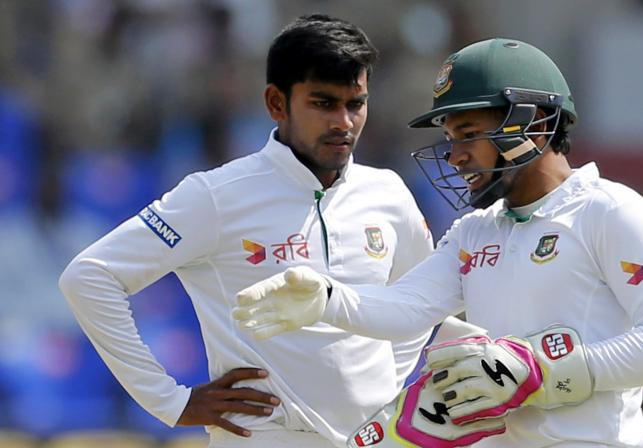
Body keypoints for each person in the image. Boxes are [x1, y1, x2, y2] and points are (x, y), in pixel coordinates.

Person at [233, 38, 643, 448]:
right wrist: (327, 299)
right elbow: (406, 308)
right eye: (451, 137)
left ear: (534, 123)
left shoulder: (608, 211)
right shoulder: (475, 231)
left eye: (470, 135)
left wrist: (538, 368)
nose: (455, 156)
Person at [59, 14, 441, 448]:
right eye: (323, 103)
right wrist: (170, 401)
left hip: (373, 439)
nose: (344, 122)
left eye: (355, 103)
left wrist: (387, 388)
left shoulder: (388, 192)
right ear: (276, 103)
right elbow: (89, 276)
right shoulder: (216, 195)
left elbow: (419, 300)